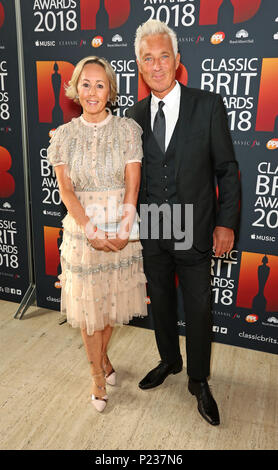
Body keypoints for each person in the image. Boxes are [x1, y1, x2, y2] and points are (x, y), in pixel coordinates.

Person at [126, 20, 240, 426]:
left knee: (198, 307)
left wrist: (226, 224)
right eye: (147, 59)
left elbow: (227, 170)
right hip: (153, 225)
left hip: (194, 226)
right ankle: (169, 361)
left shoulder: (207, 105)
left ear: (178, 60)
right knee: (160, 302)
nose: (156, 66)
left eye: (163, 56)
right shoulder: (133, 116)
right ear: (139, 65)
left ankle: (198, 379)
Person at [47, 56, 147, 412]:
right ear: (75, 88)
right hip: (82, 229)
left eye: (100, 85)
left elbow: (133, 184)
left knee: (109, 309)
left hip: (120, 223)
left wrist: (124, 224)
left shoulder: (127, 130)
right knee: (90, 309)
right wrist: (89, 229)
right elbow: (67, 191)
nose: (92, 92)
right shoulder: (63, 136)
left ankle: (103, 360)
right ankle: (96, 375)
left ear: (110, 91)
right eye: (85, 84)